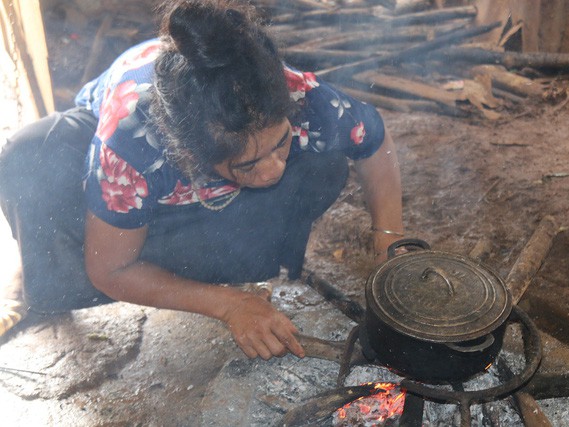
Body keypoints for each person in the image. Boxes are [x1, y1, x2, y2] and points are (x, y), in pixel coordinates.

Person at [0, 0, 403, 360]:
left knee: (326, 162)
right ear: (190, 155)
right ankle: (146, 263)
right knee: (31, 157)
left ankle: (217, 249)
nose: (273, 171)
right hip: (139, 183)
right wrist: (229, 305)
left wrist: (389, 234)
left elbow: (373, 139)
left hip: (194, 193)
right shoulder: (131, 143)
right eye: (247, 165)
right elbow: (110, 270)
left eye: (280, 145)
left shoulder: (300, 97)